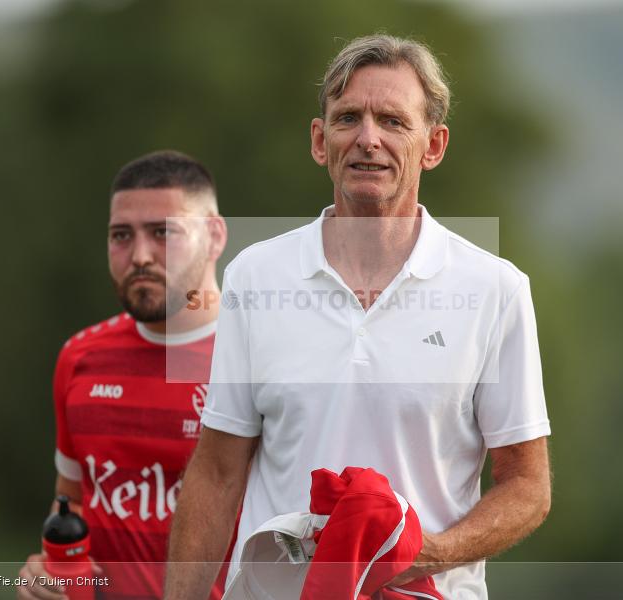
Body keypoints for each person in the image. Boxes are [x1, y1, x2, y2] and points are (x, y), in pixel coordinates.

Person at [165, 34, 552, 600]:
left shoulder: (495, 288)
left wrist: (423, 554)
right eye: (349, 118)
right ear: (320, 141)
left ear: (433, 145)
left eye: (393, 121)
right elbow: (218, 471)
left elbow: (527, 487)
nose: (368, 139)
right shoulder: (255, 274)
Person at [17, 150, 229, 600]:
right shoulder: (80, 357)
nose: (139, 256)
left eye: (162, 233)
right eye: (121, 235)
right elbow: (72, 501)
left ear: (214, 237)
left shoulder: (259, 356)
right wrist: (49, 571)